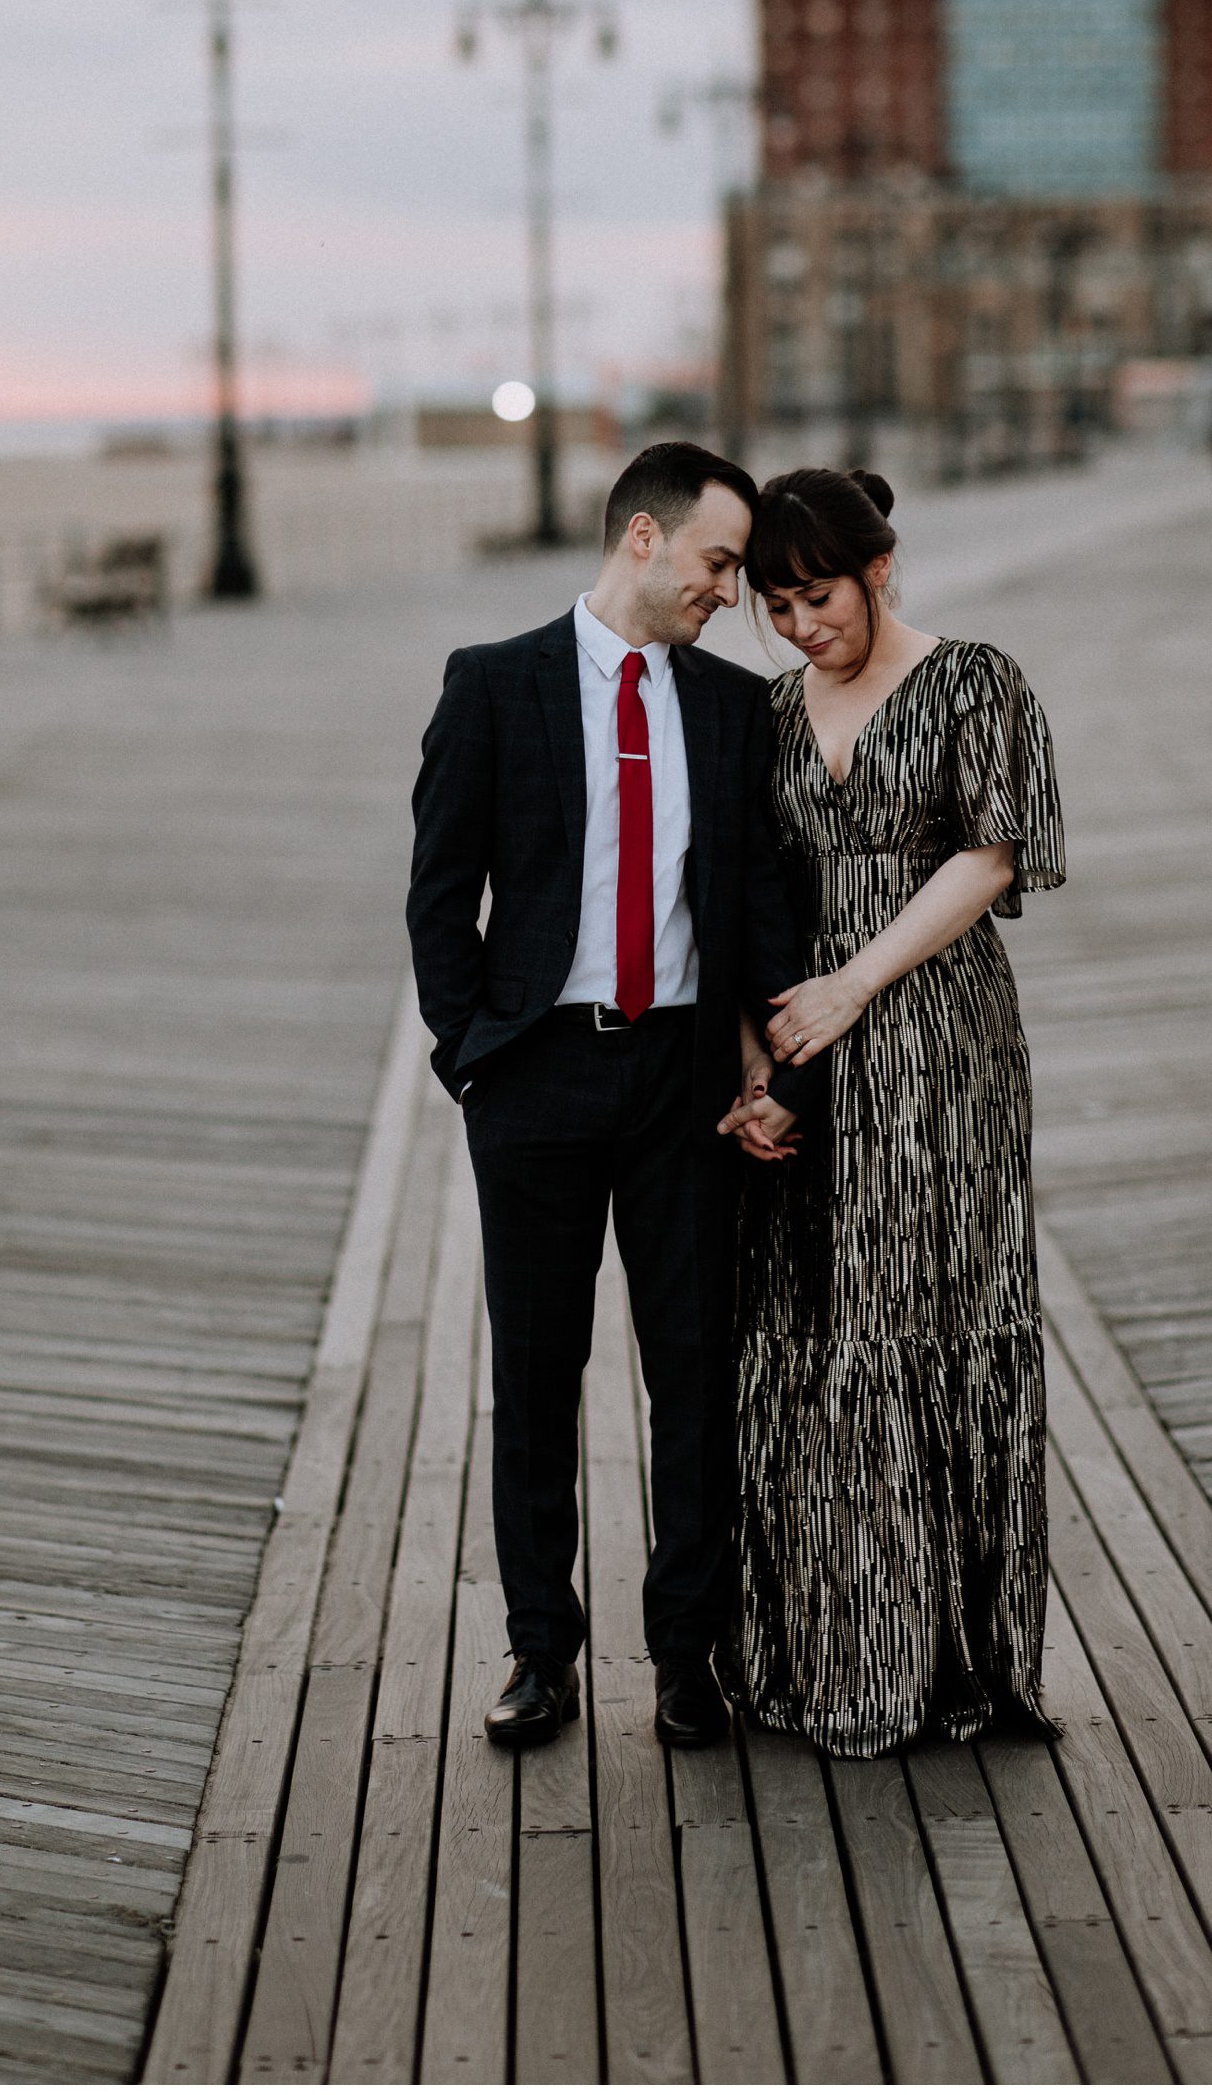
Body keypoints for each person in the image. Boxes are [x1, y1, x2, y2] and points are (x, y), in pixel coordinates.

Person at [407, 441, 821, 1756]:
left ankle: (689, 1655)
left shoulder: (730, 705)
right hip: (534, 1075)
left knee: (692, 1370)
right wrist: (474, 1052)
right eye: (714, 560)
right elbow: (438, 893)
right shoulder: (494, 685)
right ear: (641, 537)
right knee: (536, 1376)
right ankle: (541, 1652)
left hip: (680, 1081)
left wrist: (769, 1062)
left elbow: (754, 903)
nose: (727, 589)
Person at [718, 465, 1064, 1756]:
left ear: (881, 571)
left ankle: (950, 1661)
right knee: (818, 1322)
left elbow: (994, 850)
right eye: (776, 607)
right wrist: (756, 1063)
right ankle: (836, 1650)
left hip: (937, 1038)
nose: (802, 626)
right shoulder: (763, 715)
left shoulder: (979, 681)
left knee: (935, 1309)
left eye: (819, 597)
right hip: (807, 1040)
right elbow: (748, 891)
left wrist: (861, 977)